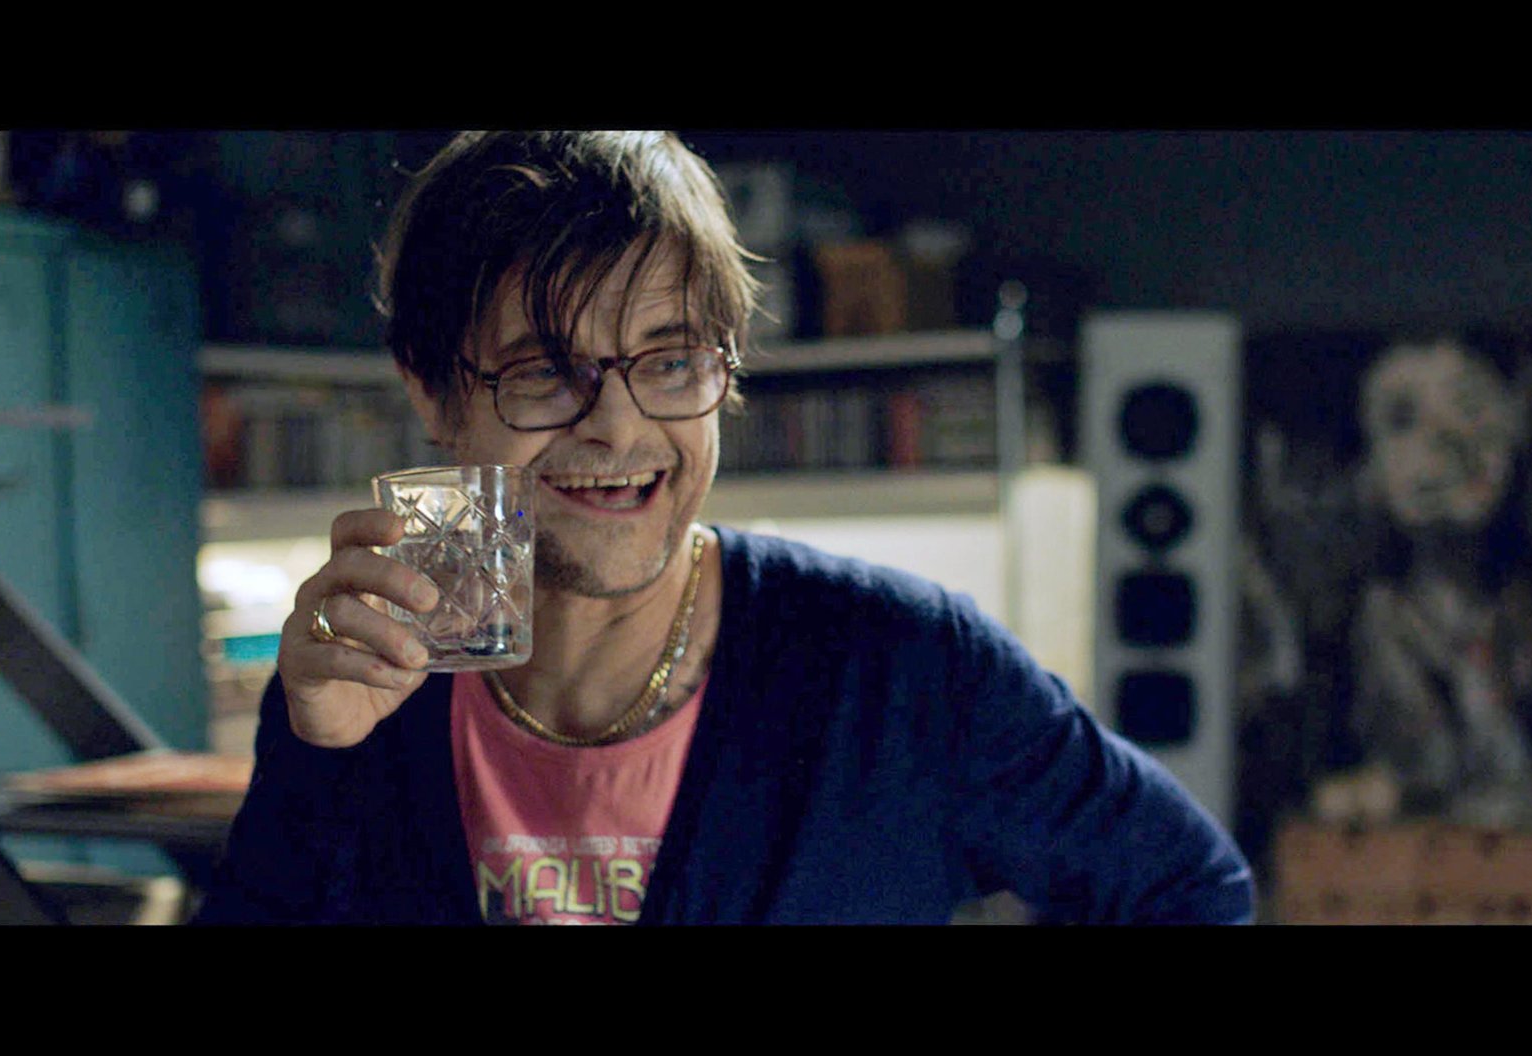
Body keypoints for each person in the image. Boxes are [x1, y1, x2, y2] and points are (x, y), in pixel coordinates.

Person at [192, 131, 1254, 925]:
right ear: (429, 388)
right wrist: (314, 765)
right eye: (545, 371)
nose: (618, 426)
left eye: (670, 361)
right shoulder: (374, 682)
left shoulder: (903, 669)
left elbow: (1188, 889)